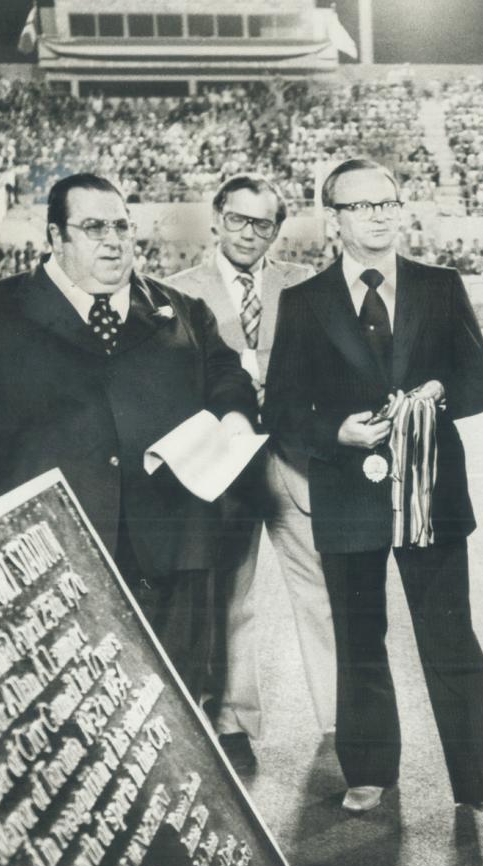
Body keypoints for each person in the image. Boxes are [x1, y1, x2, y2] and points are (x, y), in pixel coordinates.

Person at [264, 158, 483, 831]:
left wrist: (436, 396)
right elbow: (283, 411)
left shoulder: (440, 287)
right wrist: (338, 432)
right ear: (333, 220)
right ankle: (369, 771)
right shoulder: (303, 301)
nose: (379, 215)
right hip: (345, 494)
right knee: (360, 638)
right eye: (361, 207)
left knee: (449, 637)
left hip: (430, 491)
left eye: (387, 202)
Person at [0, 173, 255, 699]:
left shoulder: (182, 311)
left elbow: (229, 377)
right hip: (45, 561)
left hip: (169, 554)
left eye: (122, 225)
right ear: (55, 237)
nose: (114, 239)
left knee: (172, 714)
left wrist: (234, 419)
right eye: (93, 227)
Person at [167, 174, 333, 776]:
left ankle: (342, 719)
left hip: (296, 459)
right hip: (223, 466)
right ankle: (233, 718)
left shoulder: (306, 288)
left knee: (321, 590)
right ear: (216, 218)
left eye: (262, 224)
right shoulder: (176, 293)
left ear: (276, 231)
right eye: (237, 219)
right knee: (229, 598)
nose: (248, 233)